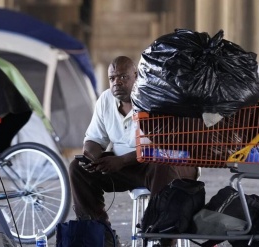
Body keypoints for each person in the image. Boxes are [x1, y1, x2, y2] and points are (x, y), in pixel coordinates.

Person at [69, 56, 198, 246]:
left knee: (161, 164)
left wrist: (122, 161)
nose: (117, 82)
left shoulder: (154, 98)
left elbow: (165, 146)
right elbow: (94, 139)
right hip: (127, 167)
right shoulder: (105, 100)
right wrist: (92, 158)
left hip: (171, 165)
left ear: (136, 76)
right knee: (77, 168)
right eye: (112, 78)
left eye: (123, 77)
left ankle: (163, 239)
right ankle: (101, 235)